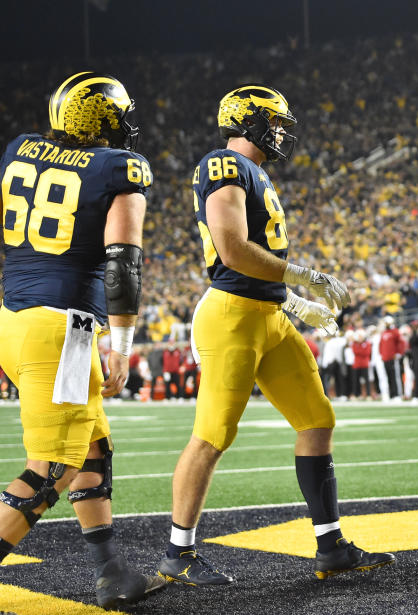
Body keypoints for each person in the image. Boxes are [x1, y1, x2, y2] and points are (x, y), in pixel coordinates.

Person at [159, 85, 394, 585]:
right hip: (232, 315)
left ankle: (330, 545)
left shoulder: (256, 172)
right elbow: (233, 251)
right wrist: (303, 277)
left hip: (267, 313)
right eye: (275, 121)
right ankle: (178, 552)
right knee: (214, 434)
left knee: (317, 419)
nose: (282, 131)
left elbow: (255, 262)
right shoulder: (223, 164)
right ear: (246, 120)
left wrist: (293, 303)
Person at [0, 72, 164, 607]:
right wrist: (121, 344)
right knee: (50, 471)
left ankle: (111, 572)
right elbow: (122, 265)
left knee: (92, 446)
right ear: (105, 119)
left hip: (15, 318)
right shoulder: (118, 168)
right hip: (62, 332)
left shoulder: (20, 151)